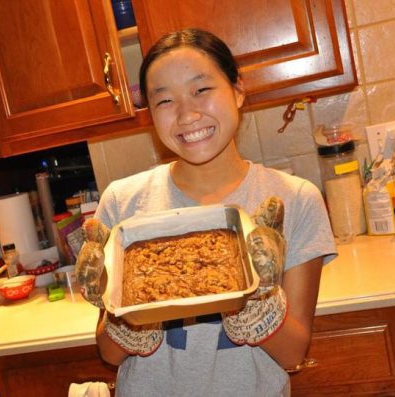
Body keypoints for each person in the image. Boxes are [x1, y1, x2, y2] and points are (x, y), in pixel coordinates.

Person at [77, 28, 337, 397]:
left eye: (201, 90)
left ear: (238, 89)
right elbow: (109, 353)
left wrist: (258, 308)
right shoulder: (122, 203)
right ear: (150, 114)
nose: (187, 115)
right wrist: (128, 322)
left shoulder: (291, 200)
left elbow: (294, 353)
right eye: (164, 100)